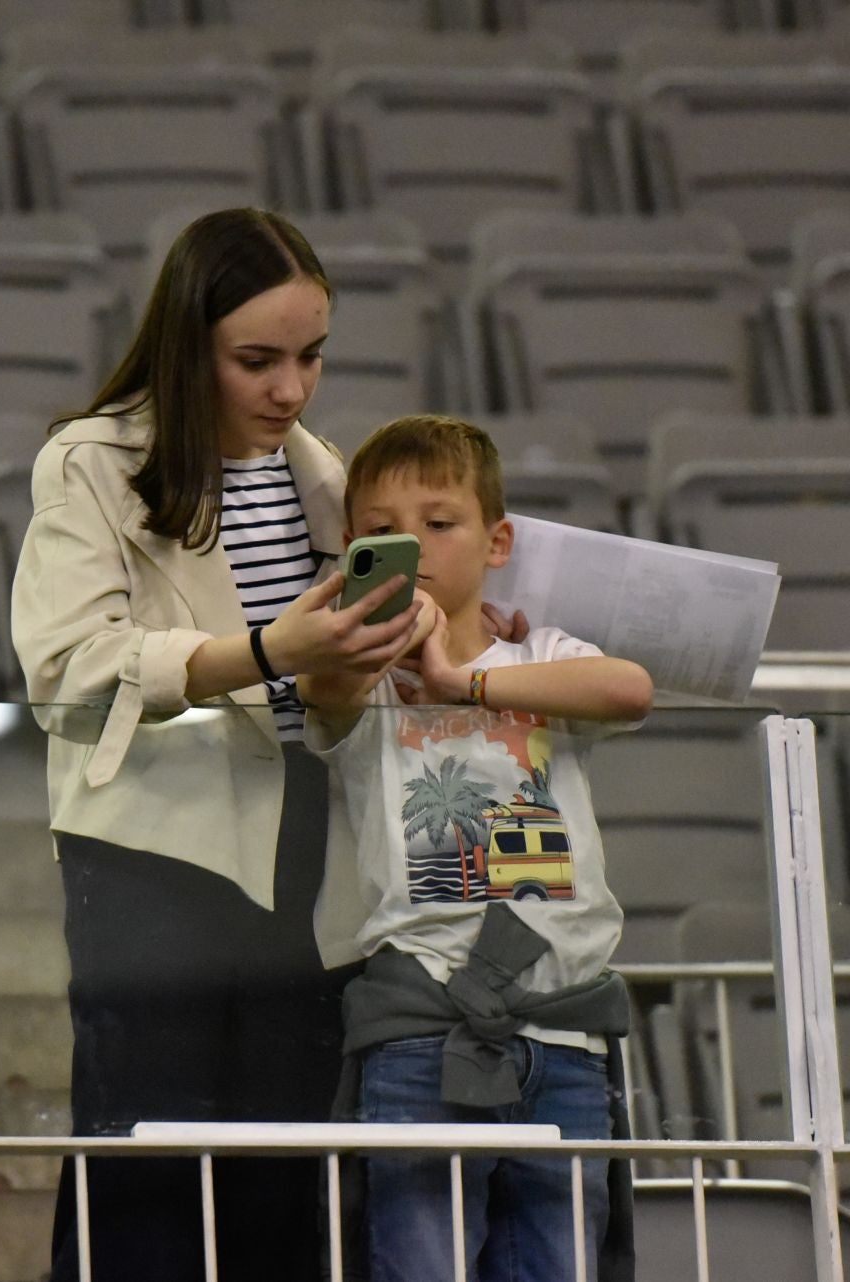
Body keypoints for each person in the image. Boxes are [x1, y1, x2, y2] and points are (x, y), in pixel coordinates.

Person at [10, 208, 443, 1282]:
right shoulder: (92, 463)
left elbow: (329, 706)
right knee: (147, 1172)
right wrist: (258, 650)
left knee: (281, 1190)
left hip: (308, 851)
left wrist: (351, 669)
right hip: (155, 852)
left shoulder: (328, 475)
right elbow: (64, 672)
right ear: (186, 343)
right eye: (258, 360)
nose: (290, 388)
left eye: (310, 357)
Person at [299, 415, 653, 1282]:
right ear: (352, 549)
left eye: (439, 522)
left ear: (497, 540)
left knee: (559, 1262)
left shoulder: (539, 653)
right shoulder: (366, 680)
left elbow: (629, 688)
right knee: (420, 1264)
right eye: (382, 532)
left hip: (563, 1026)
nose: (412, 546)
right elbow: (322, 685)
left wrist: (466, 680)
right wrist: (369, 628)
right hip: (425, 1025)